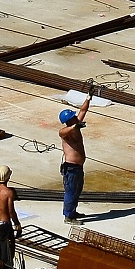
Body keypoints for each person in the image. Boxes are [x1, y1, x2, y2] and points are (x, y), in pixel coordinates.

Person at [59, 91, 91, 224]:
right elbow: (61, 132)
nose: (76, 118)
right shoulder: (66, 132)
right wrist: (74, 126)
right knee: (71, 191)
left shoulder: (76, 126)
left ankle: (73, 212)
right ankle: (68, 216)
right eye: (73, 118)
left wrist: (88, 97)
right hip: (71, 168)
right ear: (69, 121)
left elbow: (83, 110)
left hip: (78, 167)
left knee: (77, 190)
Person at [0, 165, 21, 269]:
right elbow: (11, 211)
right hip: (5, 226)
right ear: (8, 177)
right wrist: (17, 224)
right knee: (7, 252)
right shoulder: (8, 192)